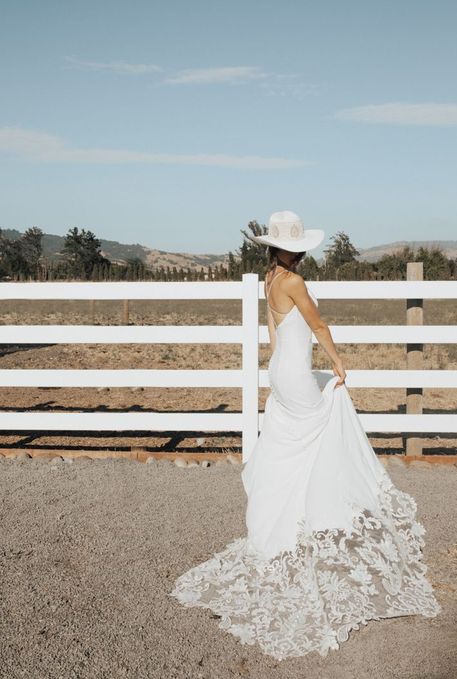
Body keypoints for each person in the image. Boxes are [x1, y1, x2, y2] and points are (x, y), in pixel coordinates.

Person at [170, 211, 441, 661]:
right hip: (294, 372)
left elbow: (275, 332)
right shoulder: (293, 282)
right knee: (324, 418)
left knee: (290, 439)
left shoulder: (269, 279)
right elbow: (318, 325)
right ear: (294, 248)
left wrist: (280, 368)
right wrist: (336, 361)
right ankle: (316, 513)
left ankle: (287, 516)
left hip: (281, 370)